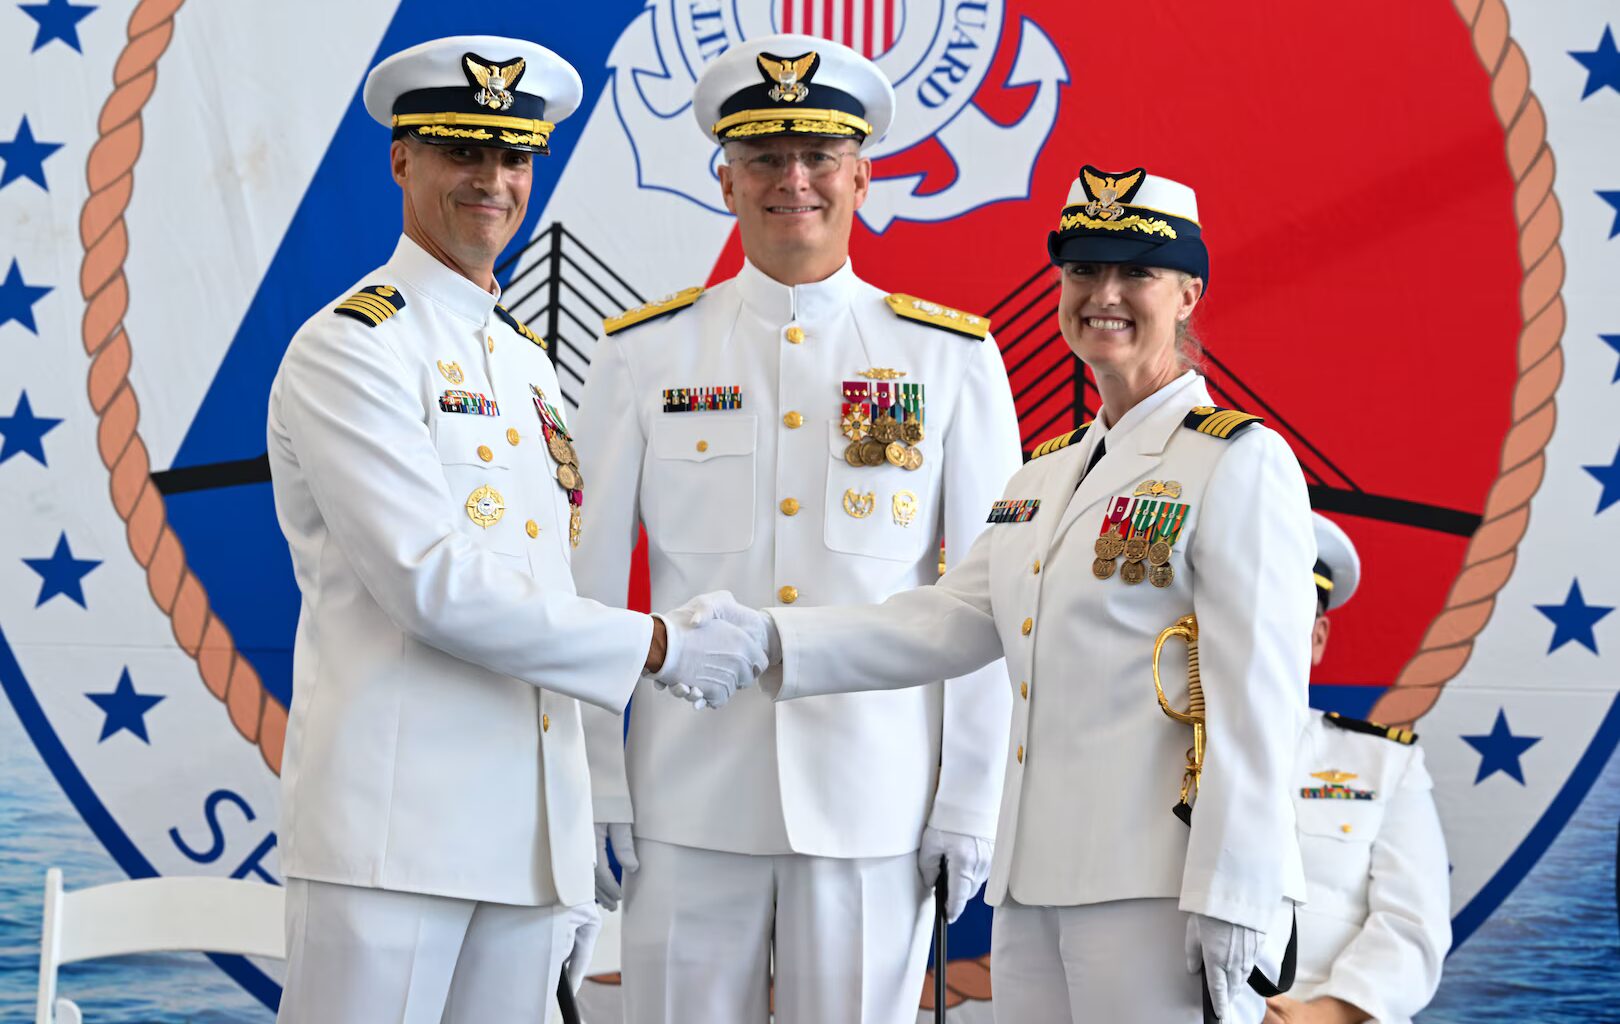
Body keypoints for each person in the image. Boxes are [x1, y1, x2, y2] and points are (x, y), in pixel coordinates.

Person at [670, 164, 1318, 1022]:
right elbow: (946, 620)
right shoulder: (1046, 475)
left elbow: (1260, 699)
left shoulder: (1238, 462)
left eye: (1137, 272)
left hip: (1159, 886)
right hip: (1033, 881)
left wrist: (1239, 888)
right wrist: (769, 638)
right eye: (1084, 270)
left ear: (1189, 293)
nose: (1105, 295)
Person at [264, 36, 764, 1023]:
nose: (491, 180)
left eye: (513, 156)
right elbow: (430, 583)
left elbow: (543, 591)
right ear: (402, 160)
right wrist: (658, 644)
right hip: (393, 841)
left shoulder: (524, 360)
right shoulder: (352, 349)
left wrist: (565, 844)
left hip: (525, 847)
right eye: (462, 151)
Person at [570, 33, 1022, 1024]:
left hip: (875, 802)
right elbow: (589, 589)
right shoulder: (645, 352)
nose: (794, 180)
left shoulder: (949, 357)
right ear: (725, 179)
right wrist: (596, 779)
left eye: (819, 155)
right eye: (765, 157)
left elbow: (994, 596)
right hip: (684, 798)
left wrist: (969, 796)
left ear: (862, 176)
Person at [1260, 514, 1451, 1024]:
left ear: (1317, 637)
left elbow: (1414, 923)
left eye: (1288, 616)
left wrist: (1324, 1014)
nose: (1266, 633)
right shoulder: (1157, 752)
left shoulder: (1385, 762)